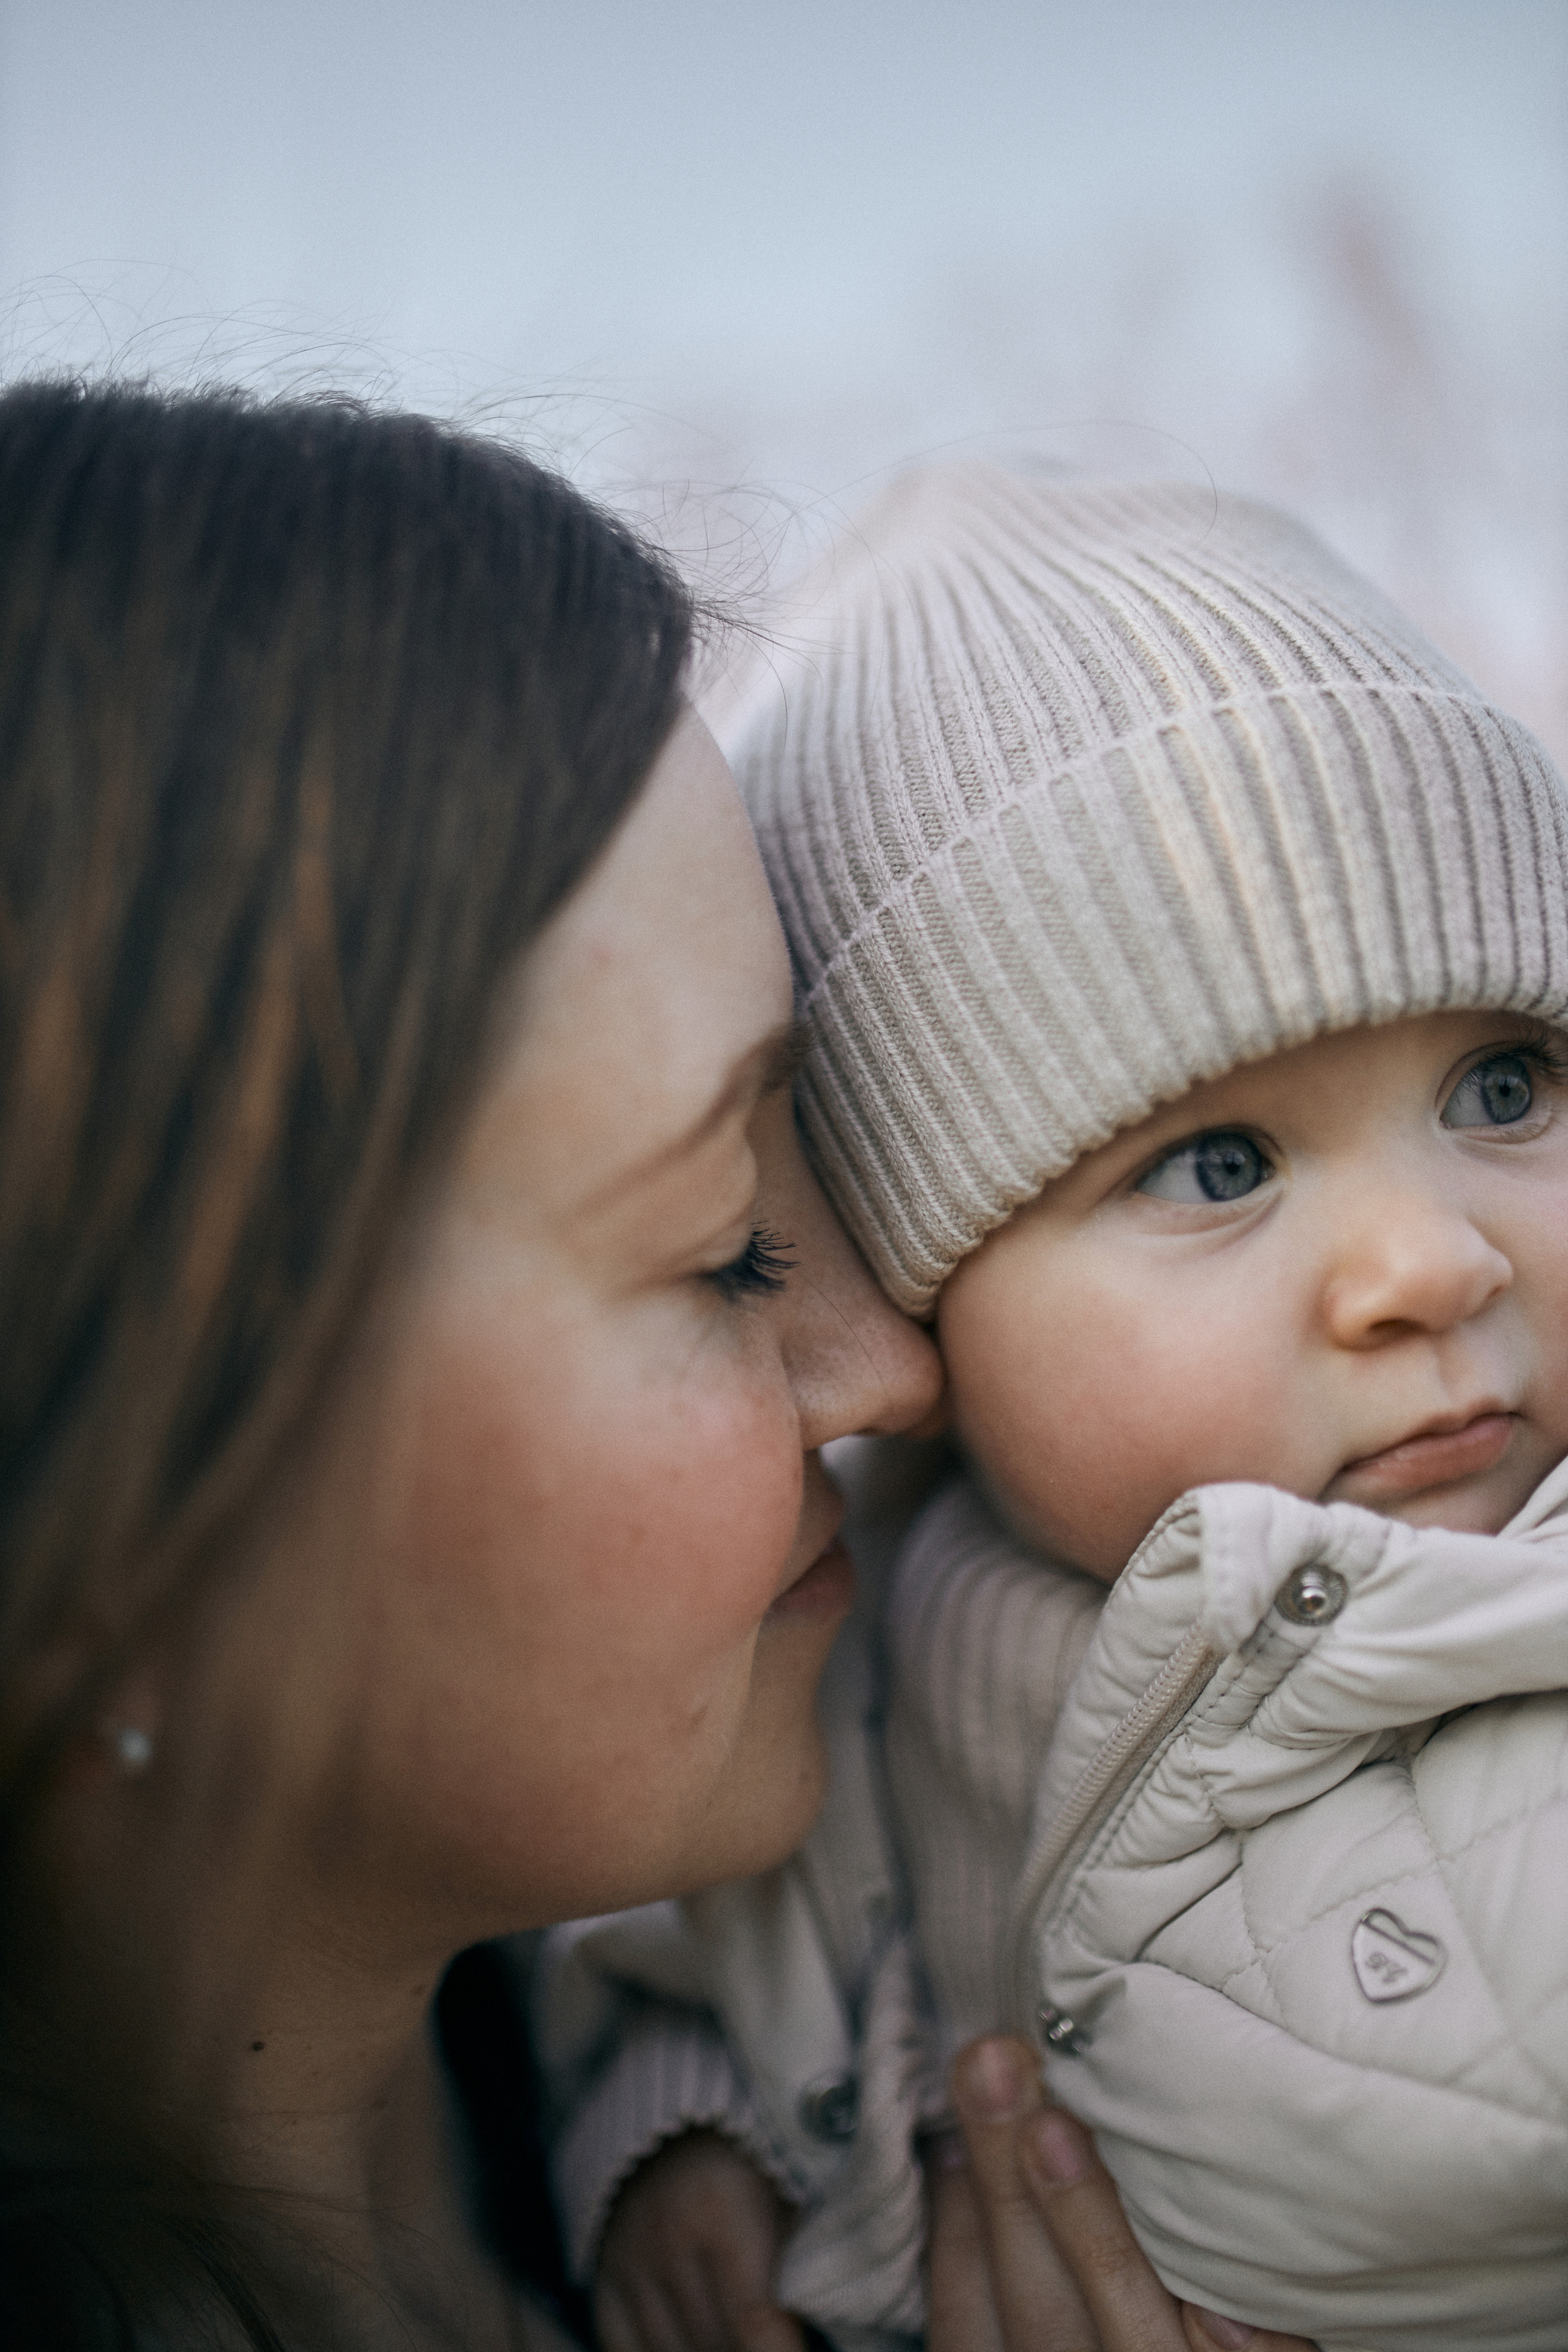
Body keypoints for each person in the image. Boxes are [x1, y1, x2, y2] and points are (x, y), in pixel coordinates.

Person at [537, 469, 1568, 2351]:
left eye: (1508, 1085)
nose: (1432, 1261)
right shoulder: (823, 1658)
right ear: (923, 1299)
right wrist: (679, 2140)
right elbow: (677, 1950)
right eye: (1220, 1162)